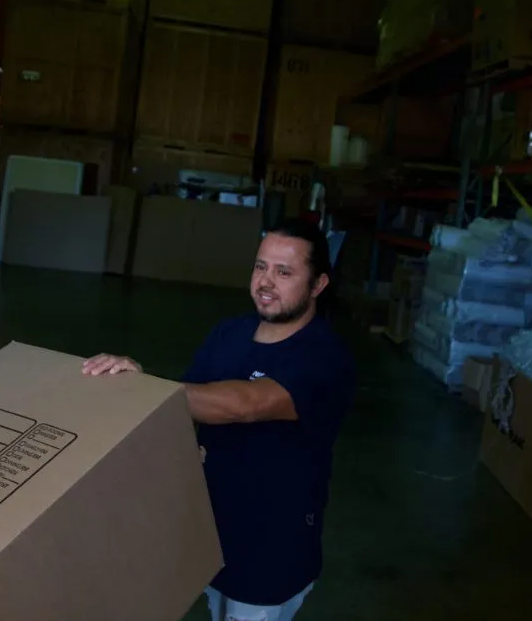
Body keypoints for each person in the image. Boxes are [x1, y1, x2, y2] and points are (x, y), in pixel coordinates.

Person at [83, 219, 356, 621]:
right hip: (209, 528)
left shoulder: (323, 357)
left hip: (270, 545)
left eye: (284, 272)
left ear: (318, 285)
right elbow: (191, 404)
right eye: (260, 267)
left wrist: (145, 390)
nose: (266, 281)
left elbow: (244, 404)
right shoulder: (230, 333)